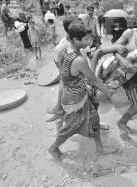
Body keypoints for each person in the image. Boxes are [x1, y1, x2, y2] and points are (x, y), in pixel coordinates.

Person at [48, 22, 113, 160]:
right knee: (69, 129)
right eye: (86, 39)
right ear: (76, 40)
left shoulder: (66, 50)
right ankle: (53, 148)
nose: (89, 41)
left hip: (74, 94)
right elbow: (94, 80)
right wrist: (107, 91)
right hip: (75, 100)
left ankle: (100, 148)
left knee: (94, 120)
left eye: (90, 38)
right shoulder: (79, 60)